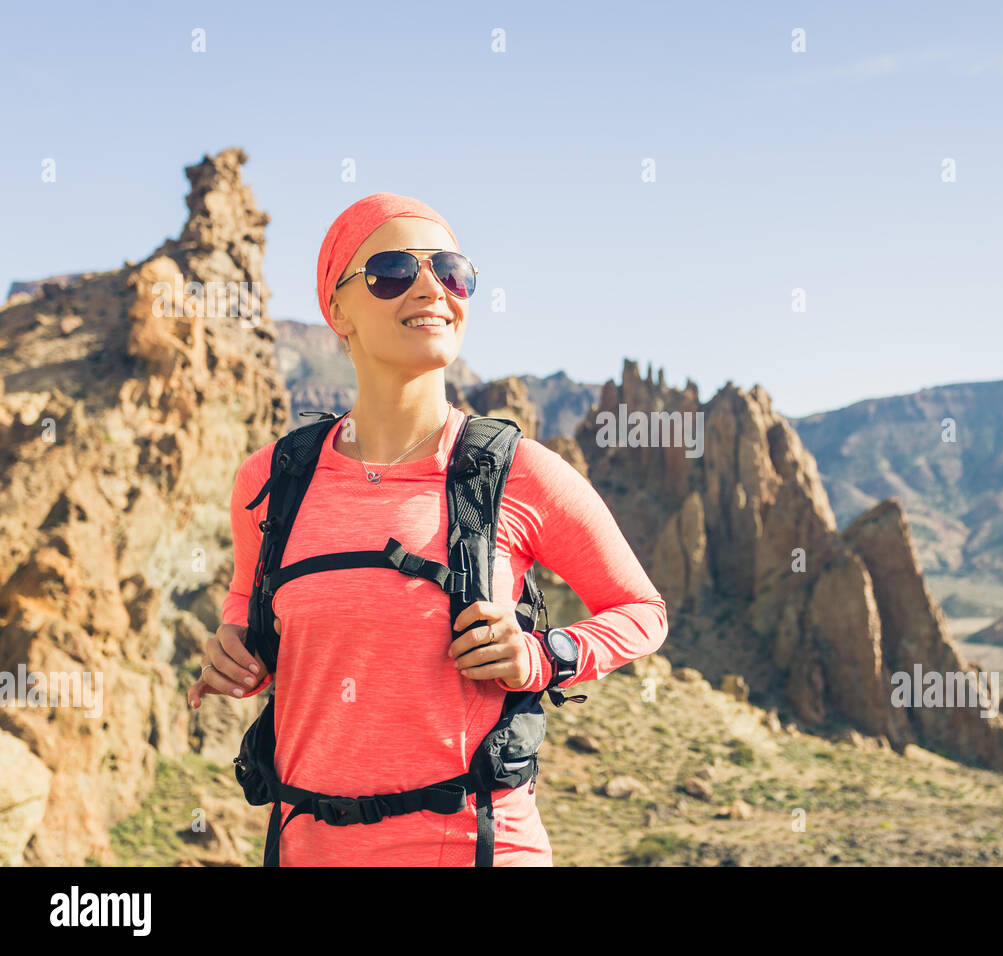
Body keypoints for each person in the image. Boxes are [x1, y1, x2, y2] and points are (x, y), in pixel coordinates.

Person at [186, 192, 668, 865]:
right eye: (389, 270)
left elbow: (641, 612)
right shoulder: (272, 478)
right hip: (304, 847)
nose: (430, 288)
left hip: (476, 848)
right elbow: (249, 602)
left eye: (451, 271)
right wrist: (236, 651)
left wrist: (544, 655)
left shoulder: (518, 473)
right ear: (338, 310)